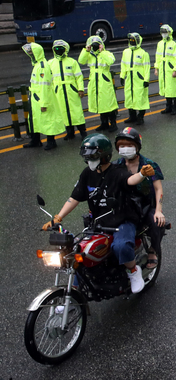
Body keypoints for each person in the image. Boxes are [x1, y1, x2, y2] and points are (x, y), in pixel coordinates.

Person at [42, 134, 156, 294]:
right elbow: (74, 198)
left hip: (122, 221)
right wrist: (58, 217)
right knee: (77, 250)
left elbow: (130, 180)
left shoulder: (117, 172)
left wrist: (142, 174)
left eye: (92, 156)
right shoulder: (87, 174)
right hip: (99, 223)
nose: (89, 160)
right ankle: (73, 291)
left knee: (121, 246)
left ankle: (133, 271)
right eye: (87, 157)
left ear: (103, 156)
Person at [113, 127, 166, 269]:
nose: (125, 149)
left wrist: (158, 210)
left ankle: (153, 250)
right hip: (123, 207)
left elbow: (158, 188)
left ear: (137, 147)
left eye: (129, 146)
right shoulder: (115, 166)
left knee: (157, 223)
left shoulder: (149, 165)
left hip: (145, 206)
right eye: (122, 146)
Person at [22, 42, 64, 150]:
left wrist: (44, 102)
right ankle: (35, 140)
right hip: (36, 98)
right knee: (35, 120)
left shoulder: (42, 67)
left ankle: (51, 141)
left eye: (31, 52)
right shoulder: (37, 65)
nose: (30, 54)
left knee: (48, 120)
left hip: (42, 98)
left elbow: (45, 87)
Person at [49, 40, 87, 141]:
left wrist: (80, 89)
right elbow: (49, 80)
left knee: (76, 112)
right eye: (56, 49)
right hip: (59, 92)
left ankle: (83, 132)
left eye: (61, 49)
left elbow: (79, 77)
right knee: (63, 112)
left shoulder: (72, 62)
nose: (58, 51)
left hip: (72, 91)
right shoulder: (51, 63)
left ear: (65, 50)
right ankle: (70, 132)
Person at [79, 35, 118, 131]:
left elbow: (111, 61)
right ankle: (104, 123)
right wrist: (86, 50)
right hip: (94, 82)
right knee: (100, 103)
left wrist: (102, 51)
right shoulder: (89, 55)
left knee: (109, 102)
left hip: (104, 82)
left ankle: (113, 124)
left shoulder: (106, 53)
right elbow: (81, 61)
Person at [120, 33, 151, 125]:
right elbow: (123, 65)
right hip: (129, 79)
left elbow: (147, 67)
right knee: (130, 98)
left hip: (139, 80)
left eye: (133, 40)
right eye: (130, 40)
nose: (132, 42)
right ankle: (132, 116)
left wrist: (146, 80)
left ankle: (140, 117)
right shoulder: (126, 52)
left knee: (140, 98)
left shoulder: (143, 53)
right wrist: (122, 76)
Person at [154, 25, 176, 115]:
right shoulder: (160, 44)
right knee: (167, 88)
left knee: (175, 89)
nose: (164, 34)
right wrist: (156, 68)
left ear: (169, 32)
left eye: (165, 32)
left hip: (171, 70)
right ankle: (168, 107)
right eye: (162, 32)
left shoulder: (175, 44)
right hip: (163, 70)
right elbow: (157, 57)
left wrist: (175, 70)